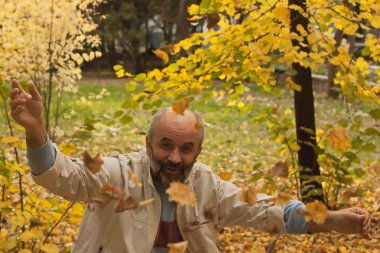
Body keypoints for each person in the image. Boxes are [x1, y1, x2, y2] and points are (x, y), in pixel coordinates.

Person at [10, 80, 371, 252]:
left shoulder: (205, 185)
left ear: (198, 151)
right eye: (165, 145)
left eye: (186, 149)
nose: (175, 158)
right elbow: (64, 178)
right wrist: (38, 134)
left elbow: (263, 210)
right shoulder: (118, 173)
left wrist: (330, 220)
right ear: (148, 143)